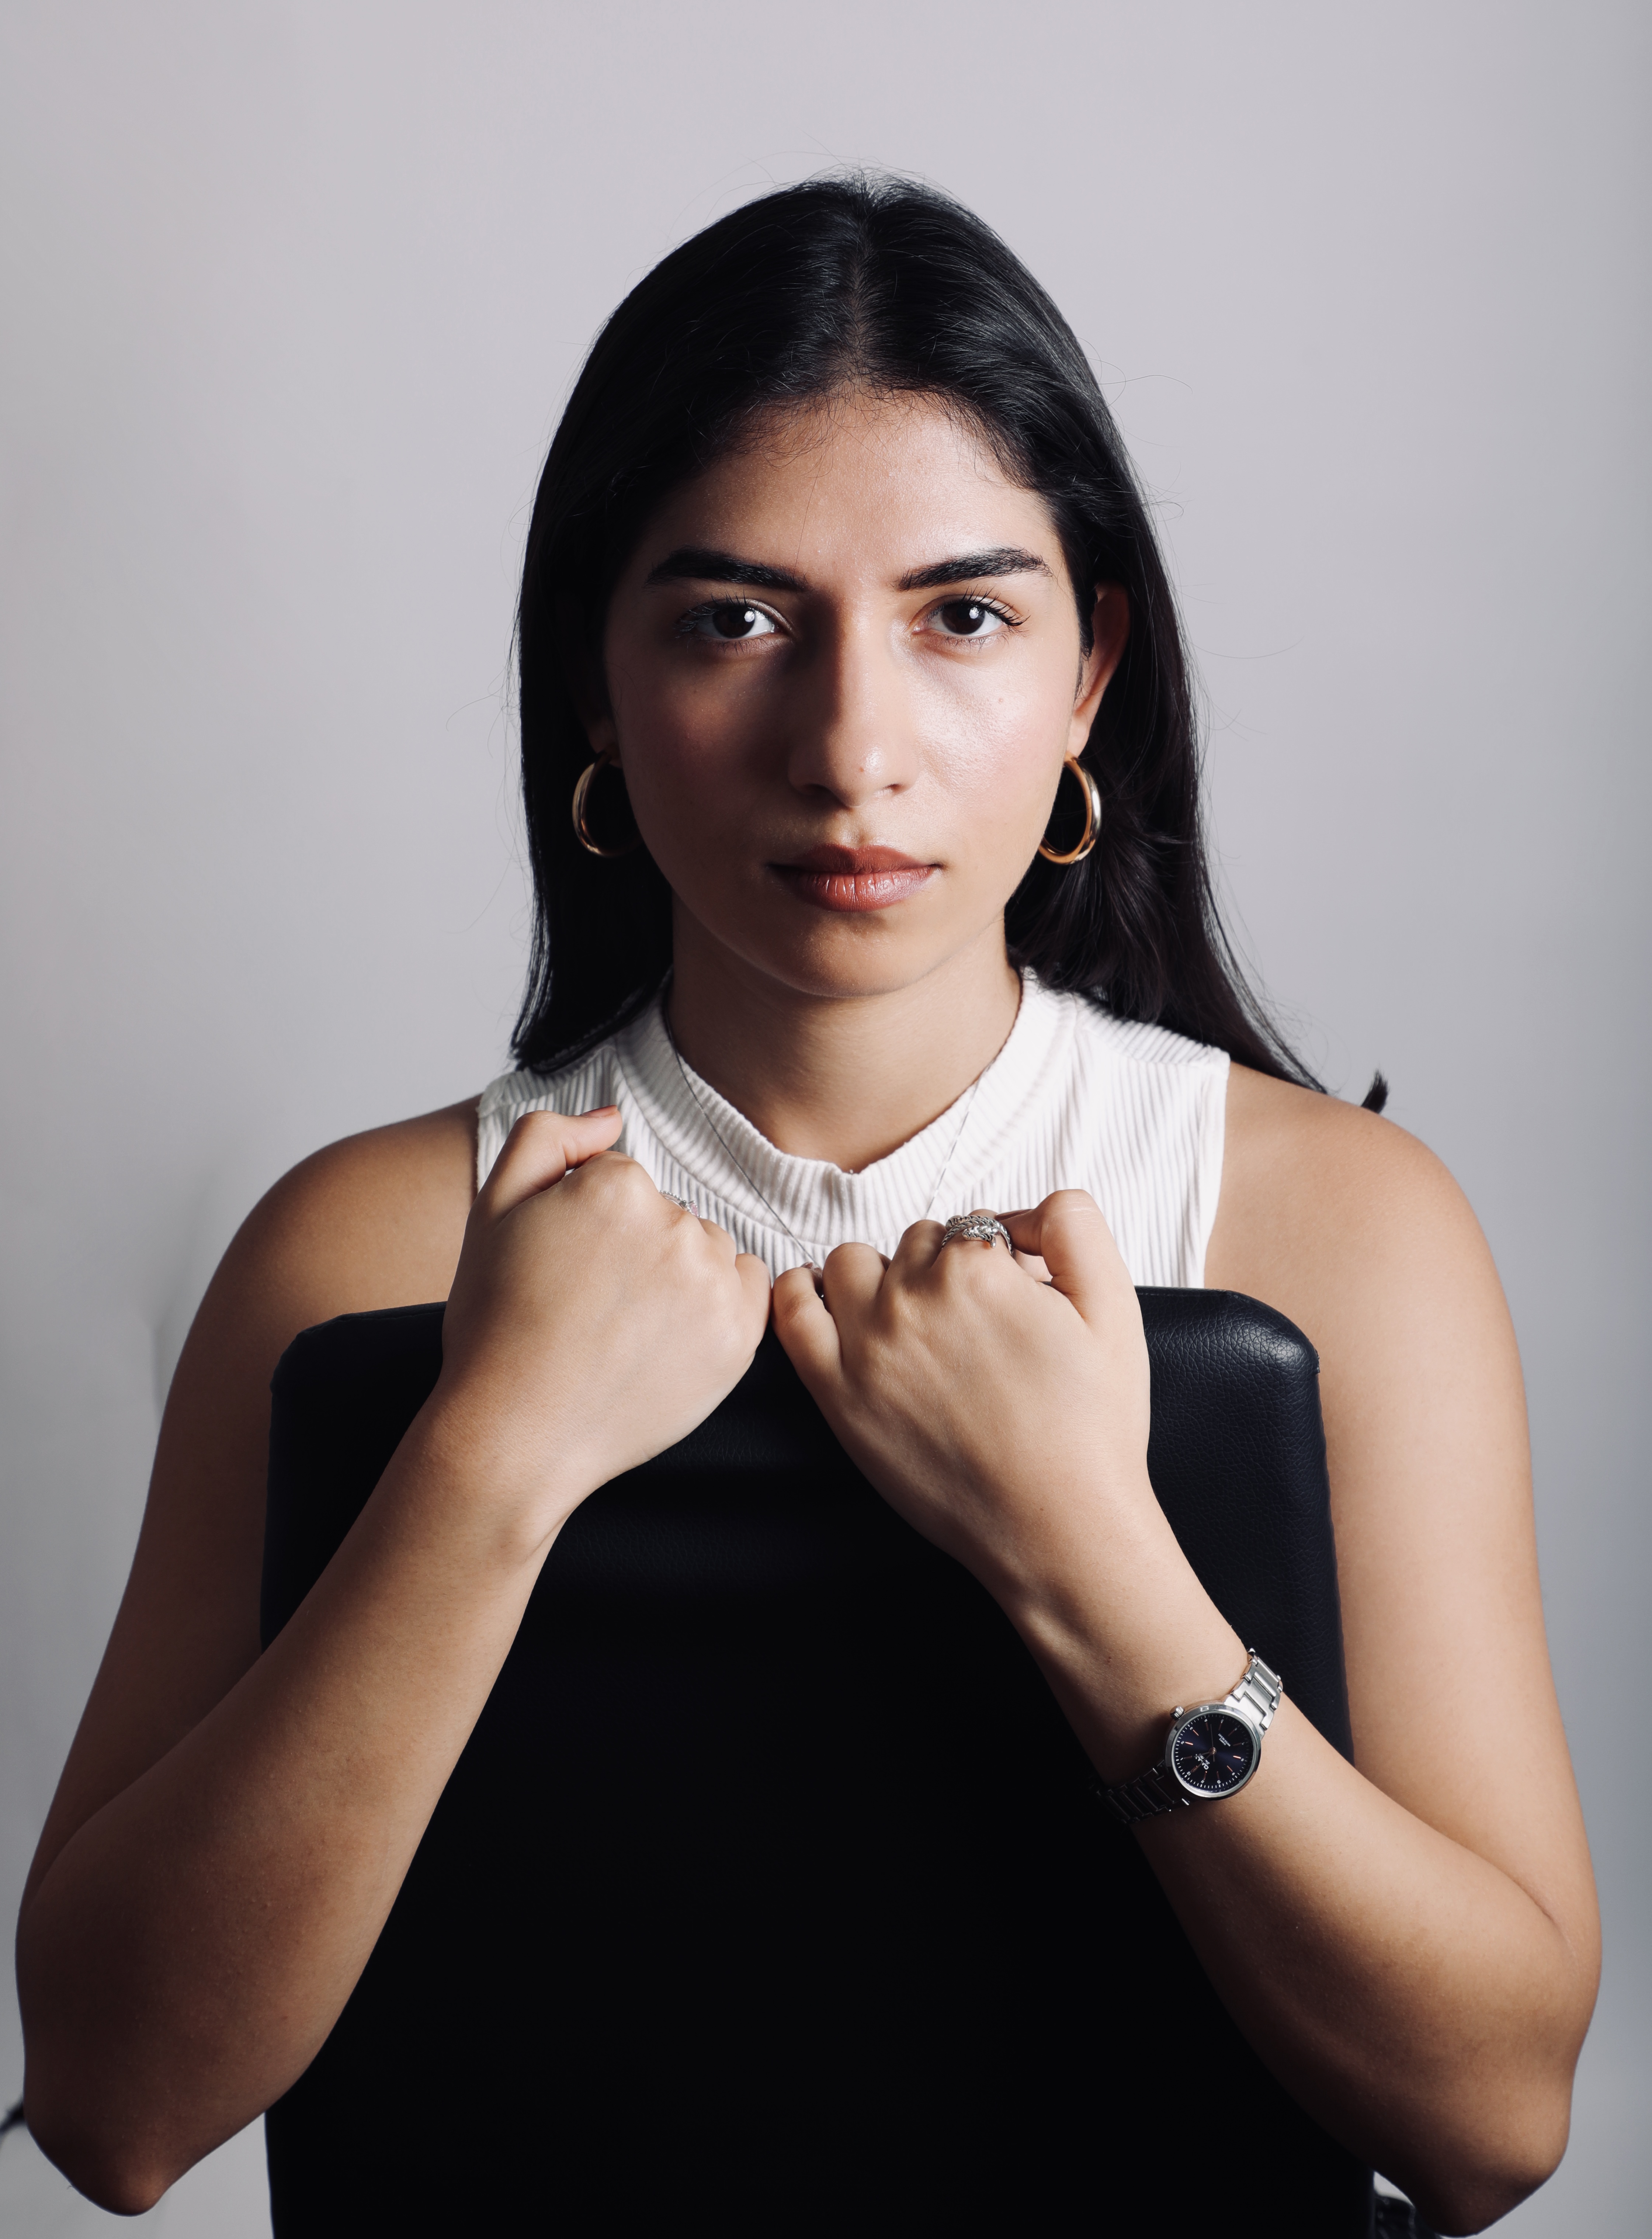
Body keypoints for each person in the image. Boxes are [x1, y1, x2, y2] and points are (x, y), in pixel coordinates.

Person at [16, 177, 1597, 2233]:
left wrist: (1091, 1557)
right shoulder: (364, 1255)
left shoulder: (1341, 1236)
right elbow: (115, 2107)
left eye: (965, 616)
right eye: (734, 619)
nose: (853, 748)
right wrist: (488, 1461)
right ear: (596, 681)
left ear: (1092, 670)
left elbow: (1493, 2124)